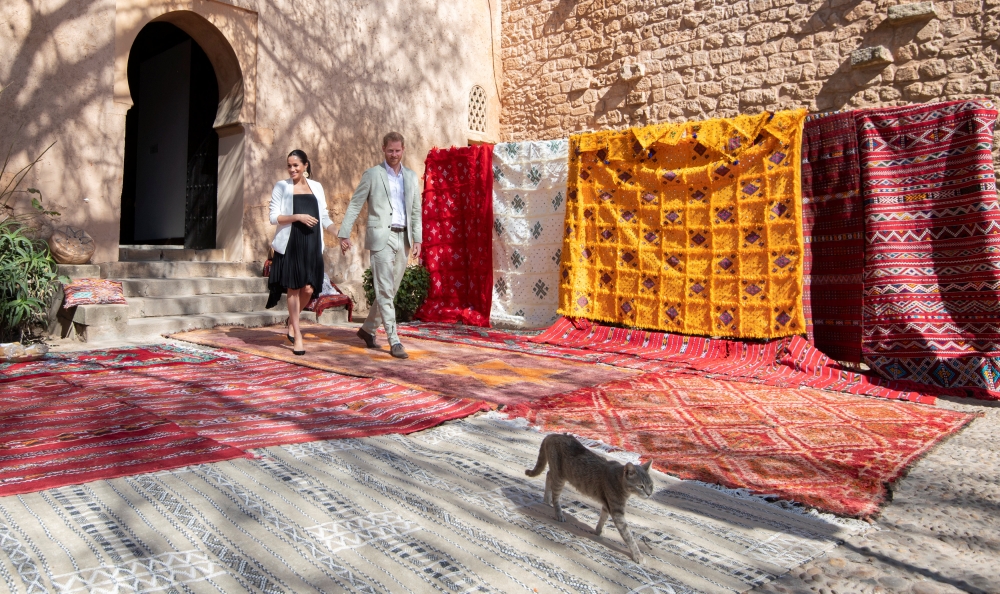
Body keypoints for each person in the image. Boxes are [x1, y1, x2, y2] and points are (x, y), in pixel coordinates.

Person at [338, 132, 422, 359]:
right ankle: (394, 340)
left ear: (403, 149)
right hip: (380, 239)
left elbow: (415, 211)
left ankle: (367, 330)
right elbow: (355, 204)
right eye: (390, 150)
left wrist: (417, 239)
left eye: (397, 150)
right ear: (383, 149)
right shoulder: (373, 175)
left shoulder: (412, 177)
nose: (394, 155)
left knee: (390, 290)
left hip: (403, 238)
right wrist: (344, 233)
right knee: (385, 290)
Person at [267, 149, 334, 355]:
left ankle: (291, 319)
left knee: (308, 289)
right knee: (293, 289)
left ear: (305, 166)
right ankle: (297, 333)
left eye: (296, 165)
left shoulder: (317, 187)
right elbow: (273, 217)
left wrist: (339, 233)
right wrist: (297, 217)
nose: (292, 169)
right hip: (291, 243)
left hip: (312, 244)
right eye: (289, 165)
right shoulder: (282, 187)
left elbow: (324, 216)